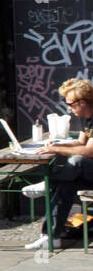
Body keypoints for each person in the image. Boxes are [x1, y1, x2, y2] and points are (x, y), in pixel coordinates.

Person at [25, 78, 93, 250]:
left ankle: (49, 183)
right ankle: (50, 236)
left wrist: (57, 151)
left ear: (83, 102)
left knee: (77, 160)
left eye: (70, 104)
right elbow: (80, 143)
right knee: (65, 185)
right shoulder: (86, 117)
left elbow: (88, 151)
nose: (68, 108)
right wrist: (55, 145)